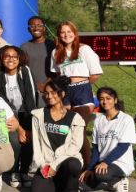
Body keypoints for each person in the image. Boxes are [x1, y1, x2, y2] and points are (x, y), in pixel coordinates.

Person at [51, 21, 102, 168]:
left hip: (82, 91)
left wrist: (85, 86)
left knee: (79, 130)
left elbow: (96, 73)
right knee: (64, 130)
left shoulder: (84, 49)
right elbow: (57, 73)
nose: (66, 35)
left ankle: (87, 167)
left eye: (69, 32)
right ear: (59, 35)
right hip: (65, 92)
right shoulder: (56, 52)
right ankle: (66, 164)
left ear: (74, 33)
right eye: (63, 32)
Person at [0, 46, 39, 188]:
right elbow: (0, 100)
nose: (11, 59)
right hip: (9, 114)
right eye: (7, 56)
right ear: (1, 58)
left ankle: (25, 172)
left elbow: (31, 97)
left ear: (20, 59)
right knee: (15, 142)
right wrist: (18, 128)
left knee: (28, 141)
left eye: (15, 56)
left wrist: (28, 127)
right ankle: (15, 172)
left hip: (27, 112)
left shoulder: (25, 71)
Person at [30, 76, 85, 192]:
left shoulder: (75, 118)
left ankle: (72, 185)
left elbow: (75, 146)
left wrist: (55, 164)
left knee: (73, 165)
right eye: (47, 93)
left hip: (65, 163)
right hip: (47, 164)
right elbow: (36, 144)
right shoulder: (38, 115)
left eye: (53, 93)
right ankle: (58, 184)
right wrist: (43, 165)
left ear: (62, 93)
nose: (49, 96)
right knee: (37, 190)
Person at [80, 88, 134, 192]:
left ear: (115, 100)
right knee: (81, 185)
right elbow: (96, 148)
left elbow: (123, 146)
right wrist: (90, 168)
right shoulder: (98, 120)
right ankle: (110, 181)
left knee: (101, 174)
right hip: (101, 163)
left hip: (120, 162)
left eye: (108, 98)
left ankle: (119, 180)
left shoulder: (126, 119)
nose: (105, 102)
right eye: (101, 99)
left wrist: (106, 162)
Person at [20, 16, 55, 100]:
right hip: (31, 87)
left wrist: (47, 83)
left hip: (52, 87)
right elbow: (22, 69)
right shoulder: (24, 47)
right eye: (32, 26)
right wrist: (35, 84)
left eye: (39, 25)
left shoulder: (53, 45)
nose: (36, 28)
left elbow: (57, 68)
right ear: (29, 29)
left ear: (44, 28)